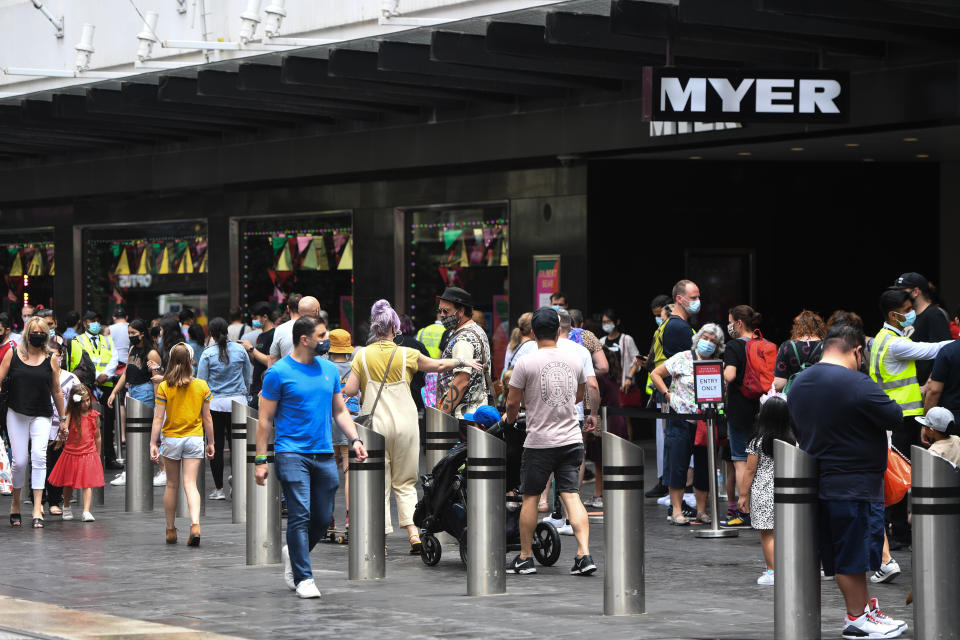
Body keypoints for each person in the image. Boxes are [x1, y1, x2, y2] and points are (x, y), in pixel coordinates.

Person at [788, 324, 907, 640]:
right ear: (857, 351)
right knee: (853, 554)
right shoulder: (856, 382)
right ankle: (857, 618)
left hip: (820, 481)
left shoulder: (800, 383)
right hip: (856, 482)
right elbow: (895, 415)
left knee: (842, 551)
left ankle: (865, 610)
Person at [342, 300, 482, 553]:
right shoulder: (407, 353)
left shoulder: (361, 354)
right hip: (406, 422)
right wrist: (464, 362)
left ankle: (381, 538)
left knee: (379, 482)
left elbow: (350, 389)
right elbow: (438, 365)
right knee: (406, 481)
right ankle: (414, 535)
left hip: (376, 425)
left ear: (375, 328)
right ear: (395, 328)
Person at [256, 316, 368, 599]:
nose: (326, 339)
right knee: (300, 512)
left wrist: (355, 439)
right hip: (291, 452)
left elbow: (340, 411)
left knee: (321, 517)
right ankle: (303, 577)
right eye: (321, 335)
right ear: (304, 339)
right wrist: (260, 459)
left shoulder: (329, 370)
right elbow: (265, 420)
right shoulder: (278, 373)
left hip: (324, 452)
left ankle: (294, 552)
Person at [504, 307, 595, 576]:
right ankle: (583, 554)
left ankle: (525, 557)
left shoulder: (525, 362)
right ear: (558, 331)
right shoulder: (575, 359)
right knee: (571, 495)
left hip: (539, 442)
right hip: (570, 439)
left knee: (531, 497)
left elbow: (512, 403)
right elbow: (580, 395)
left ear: (532, 333)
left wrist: (511, 422)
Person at [871, 289, 952, 547]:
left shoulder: (883, 337)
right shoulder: (895, 344)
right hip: (902, 418)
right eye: (906, 310)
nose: (911, 314)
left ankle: (897, 532)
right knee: (901, 475)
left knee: (895, 473)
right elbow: (931, 350)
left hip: (892, 415)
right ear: (893, 315)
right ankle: (898, 534)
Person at [649, 323, 725, 524]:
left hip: (705, 422)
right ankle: (676, 510)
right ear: (698, 337)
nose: (708, 343)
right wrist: (667, 394)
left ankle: (701, 510)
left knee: (704, 467)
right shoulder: (682, 358)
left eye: (713, 341)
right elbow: (655, 374)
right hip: (680, 418)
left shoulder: (718, 364)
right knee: (677, 464)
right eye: (705, 338)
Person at [0, 316, 66, 528]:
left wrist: (63, 418)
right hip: (16, 412)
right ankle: (16, 502)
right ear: (27, 333)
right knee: (19, 462)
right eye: (34, 331)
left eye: (42, 332)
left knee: (39, 457)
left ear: (46, 336)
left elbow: (56, 389)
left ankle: (38, 506)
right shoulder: (13, 354)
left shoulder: (51, 358)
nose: (37, 335)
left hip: (42, 413)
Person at [149, 343, 215, 547]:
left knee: (171, 484)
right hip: (195, 438)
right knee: (190, 484)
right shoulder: (202, 386)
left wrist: (153, 442)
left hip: (172, 439)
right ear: (191, 360)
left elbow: (158, 418)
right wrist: (211, 441)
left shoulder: (164, 386)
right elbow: (208, 418)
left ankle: (170, 529)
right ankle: (195, 525)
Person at [738, 393, 795, 586]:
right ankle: (788, 568)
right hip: (788, 491)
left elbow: (750, 470)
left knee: (767, 534)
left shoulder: (757, 442)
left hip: (764, 492)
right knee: (786, 533)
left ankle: (772, 571)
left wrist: (743, 494)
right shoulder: (793, 441)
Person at [197, 317, 252, 500]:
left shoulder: (207, 354)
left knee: (215, 446)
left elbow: (201, 383)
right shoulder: (241, 350)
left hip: (214, 404)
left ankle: (219, 489)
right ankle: (238, 482)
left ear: (211, 334)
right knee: (239, 445)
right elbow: (247, 377)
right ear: (227, 331)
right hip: (238, 403)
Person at [107, 319, 164, 488]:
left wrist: (158, 405)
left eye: (133, 333)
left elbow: (156, 380)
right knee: (134, 434)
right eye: (129, 333)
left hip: (145, 392)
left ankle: (163, 469)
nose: (131, 336)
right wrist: (114, 391)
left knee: (146, 435)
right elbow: (126, 372)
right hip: (132, 391)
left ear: (142, 333)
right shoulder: (132, 349)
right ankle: (130, 470)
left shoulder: (151, 353)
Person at [723, 305, 765, 527]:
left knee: (741, 460)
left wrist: (719, 372)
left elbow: (729, 375)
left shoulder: (733, 346)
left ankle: (745, 511)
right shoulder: (762, 344)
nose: (729, 325)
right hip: (761, 409)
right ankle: (761, 509)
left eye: (730, 321)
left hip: (739, 409)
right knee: (759, 460)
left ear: (739, 323)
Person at [48, 384, 104, 522]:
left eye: (87, 400)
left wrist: (97, 453)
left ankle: (86, 510)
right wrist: (63, 431)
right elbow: (63, 429)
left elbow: (97, 436)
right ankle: (66, 506)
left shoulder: (93, 415)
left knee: (87, 483)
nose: (86, 404)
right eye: (83, 401)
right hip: (72, 452)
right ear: (76, 402)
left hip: (88, 452)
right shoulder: (70, 415)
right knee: (68, 483)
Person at [436, 287, 492, 421]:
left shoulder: (463, 339)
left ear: (461, 311)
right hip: (474, 414)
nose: (442, 315)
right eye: (440, 311)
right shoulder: (477, 330)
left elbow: (461, 381)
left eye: (446, 311)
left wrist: (441, 415)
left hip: (461, 418)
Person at [889, 272, 952, 386]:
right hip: (912, 386)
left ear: (916, 292)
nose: (898, 295)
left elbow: (945, 353)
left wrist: (928, 385)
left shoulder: (933, 314)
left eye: (902, 291)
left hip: (925, 389)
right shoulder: (909, 316)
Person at [77, 311, 121, 470]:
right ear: (84, 323)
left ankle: (109, 457)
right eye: (91, 321)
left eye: (97, 320)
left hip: (106, 386)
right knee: (87, 422)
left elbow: (113, 359)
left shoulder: (108, 341)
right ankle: (88, 456)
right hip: (88, 386)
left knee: (108, 424)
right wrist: (93, 377)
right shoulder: (79, 340)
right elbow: (80, 360)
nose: (95, 323)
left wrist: (105, 375)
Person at [323, 328, 359, 528]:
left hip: (328, 425)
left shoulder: (324, 368)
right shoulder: (355, 367)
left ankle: (328, 518)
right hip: (349, 425)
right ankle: (348, 516)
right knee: (349, 472)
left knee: (328, 472)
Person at [773, 310, 825, 393]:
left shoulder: (786, 346)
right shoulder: (827, 346)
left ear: (796, 327)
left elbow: (779, 384)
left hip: (794, 397)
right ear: (820, 327)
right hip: (820, 395)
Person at [242, 303, 277, 410]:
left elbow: (269, 361)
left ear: (265, 317)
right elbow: (257, 362)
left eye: (255, 318)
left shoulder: (274, 335)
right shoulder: (260, 336)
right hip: (255, 386)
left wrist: (252, 349)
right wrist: (249, 352)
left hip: (265, 387)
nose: (254, 321)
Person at [599, 309, 639, 391]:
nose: (606, 324)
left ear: (617, 321)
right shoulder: (601, 341)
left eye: (608, 321)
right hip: (607, 386)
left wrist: (629, 378)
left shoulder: (626, 339)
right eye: (604, 322)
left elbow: (637, 360)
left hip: (624, 385)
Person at [924, 330, 960, 421]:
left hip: (950, 419)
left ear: (957, 320)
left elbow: (934, 390)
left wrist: (927, 424)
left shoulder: (948, 351)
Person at [268, 294, 307, 365]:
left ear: (288, 308)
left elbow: (273, 358)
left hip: (287, 373)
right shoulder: (313, 327)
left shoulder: (280, 329)